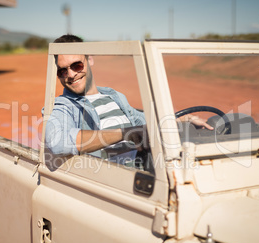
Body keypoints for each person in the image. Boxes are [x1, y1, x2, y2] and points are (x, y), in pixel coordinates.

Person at [45, 34, 212, 160]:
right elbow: (57, 141)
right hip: (116, 179)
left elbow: (143, 122)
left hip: (145, 165)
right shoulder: (64, 105)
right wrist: (125, 133)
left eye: (76, 65)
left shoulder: (113, 96)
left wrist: (185, 119)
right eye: (63, 71)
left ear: (90, 59)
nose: (71, 74)